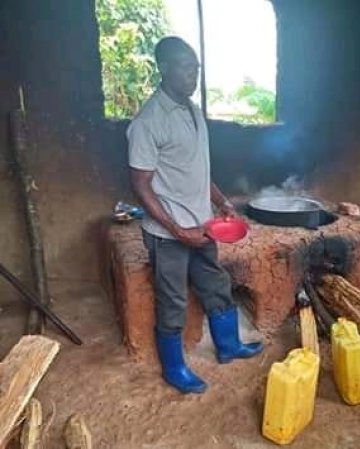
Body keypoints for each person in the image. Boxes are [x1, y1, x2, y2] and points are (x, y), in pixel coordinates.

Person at [127, 36, 263, 394]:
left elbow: (197, 170)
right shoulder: (148, 121)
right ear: (164, 68)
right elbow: (141, 185)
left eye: (197, 68)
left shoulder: (192, 110)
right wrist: (175, 228)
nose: (194, 75)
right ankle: (174, 369)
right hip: (167, 231)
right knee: (172, 298)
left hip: (203, 224)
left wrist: (221, 202)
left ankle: (229, 346)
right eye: (187, 68)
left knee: (216, 284)